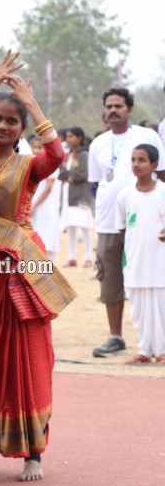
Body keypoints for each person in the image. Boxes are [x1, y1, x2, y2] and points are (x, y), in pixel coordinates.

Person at [0, 70, 76, 482]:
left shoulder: (29, 166)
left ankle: (34, 452)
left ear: (20, 130)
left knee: (28, 356)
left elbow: (57, 157)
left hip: (23, 268)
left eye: (12, 121)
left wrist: (30, 101)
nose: (3, 125)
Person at [89, 88, 164, 357]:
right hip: (109, 224)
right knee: (110, 280)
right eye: (109, 106)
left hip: (147, 224)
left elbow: (163, 175)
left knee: (154, 278)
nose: (113, 110)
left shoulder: (147, 136)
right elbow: (96, 183)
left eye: (118, 106)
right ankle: (116, 337)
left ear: (130, 110)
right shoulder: (98, 143)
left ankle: (157, 341)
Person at [115, 144, 165, 364]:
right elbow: (123, 228)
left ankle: (162, 352)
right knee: (139, 308)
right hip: (136, 259)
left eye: (142, 160)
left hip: (160, 259)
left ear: (154, 165)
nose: (136, 164)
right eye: (133, 159)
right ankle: (144, 350)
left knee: (161, 306)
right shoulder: (125, 195)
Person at [58, 127, 94, 267]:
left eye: (72, 136)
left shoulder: (84, 155)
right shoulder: (68, 155)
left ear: (79, 138)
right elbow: (61, 173)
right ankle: (72, 257)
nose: (69, 139)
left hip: (81, 195)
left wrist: (70, 176)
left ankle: (88, 258)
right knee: (71, 226)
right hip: (68, 194)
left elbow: (83, 174)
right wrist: (70, 176)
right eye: (67, 136)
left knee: (85, 227)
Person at [27, 134, 64, 259]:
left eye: (40, 147)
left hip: (45, 205)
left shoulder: (51, 164)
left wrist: (34, 206)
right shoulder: (30, 163)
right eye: (34, 147)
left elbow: (48, 189)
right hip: (32, 205)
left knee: (47, 236)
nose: (36, 150)